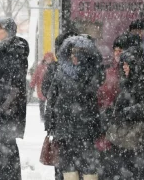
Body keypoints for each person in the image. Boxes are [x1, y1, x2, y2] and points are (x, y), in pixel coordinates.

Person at [45, 35, 104, 180]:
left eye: (78, 53)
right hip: (65, 129)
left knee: (88, 166)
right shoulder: (61, 72)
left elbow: (92, 98)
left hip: (85, 129)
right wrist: (50, 124)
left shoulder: (92, 73)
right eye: (72, 53)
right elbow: (52, 99)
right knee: (68, 166)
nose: (75, 56)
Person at [109, 46, 144, 179]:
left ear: (136, 64)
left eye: (128, 64)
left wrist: (125, 113)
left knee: (142, 171)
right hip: (129, 138)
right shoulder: (127, 82)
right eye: (123, 64)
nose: (124, 67)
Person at [96, 33, 140, 180]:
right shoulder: (108, 72)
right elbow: (100, 96)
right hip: (110, 128)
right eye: (116, 50)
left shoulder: (134, 74)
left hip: (127, 131)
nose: (118, 53)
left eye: (121, 50)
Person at [0, 18, 29, 180]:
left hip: (10, 107)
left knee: (7, 146)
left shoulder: (17, 50)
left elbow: (16, 83)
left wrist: (4, 105)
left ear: (9, 31)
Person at [41, 31, 78, 180]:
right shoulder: (74, 69)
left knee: (62, 165)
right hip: (67, 126)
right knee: (68, 164)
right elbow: (47, 92)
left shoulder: (56, 68)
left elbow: (46, 93)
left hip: (62, 125)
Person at [30, 52, 55, 121]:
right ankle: (42, 116)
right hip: (40, 87)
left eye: (50, 58)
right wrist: (32, 84)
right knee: (42, 101)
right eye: (47, 58)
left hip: (51, 86)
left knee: (51, 102)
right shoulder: (40, 66)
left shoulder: (54, 66)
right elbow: (35, 76)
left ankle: (50, 115)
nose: (48, 59)